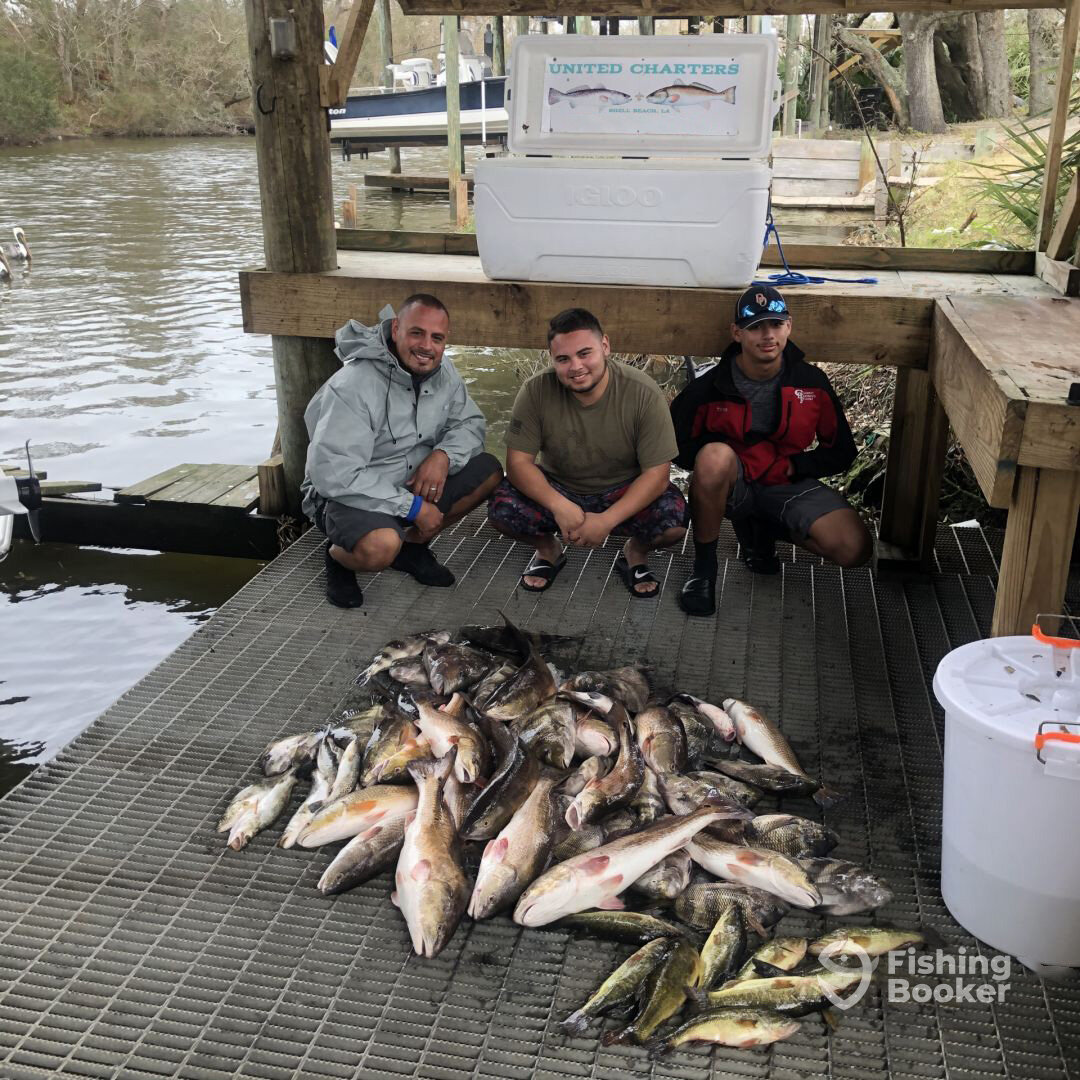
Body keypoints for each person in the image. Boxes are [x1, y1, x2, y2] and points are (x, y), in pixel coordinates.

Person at [669, 284, 872, 617]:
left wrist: (796, 466)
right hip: (735, 484)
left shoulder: (811, 382)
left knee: (854, 548)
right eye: (755, 327)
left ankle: (764, 528)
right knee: (714, 457)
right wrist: (733, 461)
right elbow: (675, 445)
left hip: (787, 482)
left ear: (788, 326)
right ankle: (704, 570)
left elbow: (842, 451)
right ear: (737, 333)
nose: (767, 335)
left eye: (775, 325)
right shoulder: (709, 387)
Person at [302, 294, 502, 609]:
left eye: (437, 338)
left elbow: (470, 424)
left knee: (489, 471)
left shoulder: (445, 371)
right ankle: (338, 557)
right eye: (416, 333)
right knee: (380, 547)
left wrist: (443, 456)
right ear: (395, 329)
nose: (427, 346)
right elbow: (335, 474)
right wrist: (414, 508)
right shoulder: (353, 385)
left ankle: (410, 547)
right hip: (348, 495)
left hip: (408, 482)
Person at [487, 308, 687, 597]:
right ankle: (548, 550)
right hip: (560, 485)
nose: (576, 367)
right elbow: (518, 463)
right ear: (552, 358)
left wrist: (606, 520)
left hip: (622, 488)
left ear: (605, 346)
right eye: (563, 359)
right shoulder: (535, 390)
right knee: (501, 508)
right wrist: (559, 505)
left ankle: (635, 552)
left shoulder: (643, 392)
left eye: (585, 354)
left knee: (674, 522)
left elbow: (657, 475)